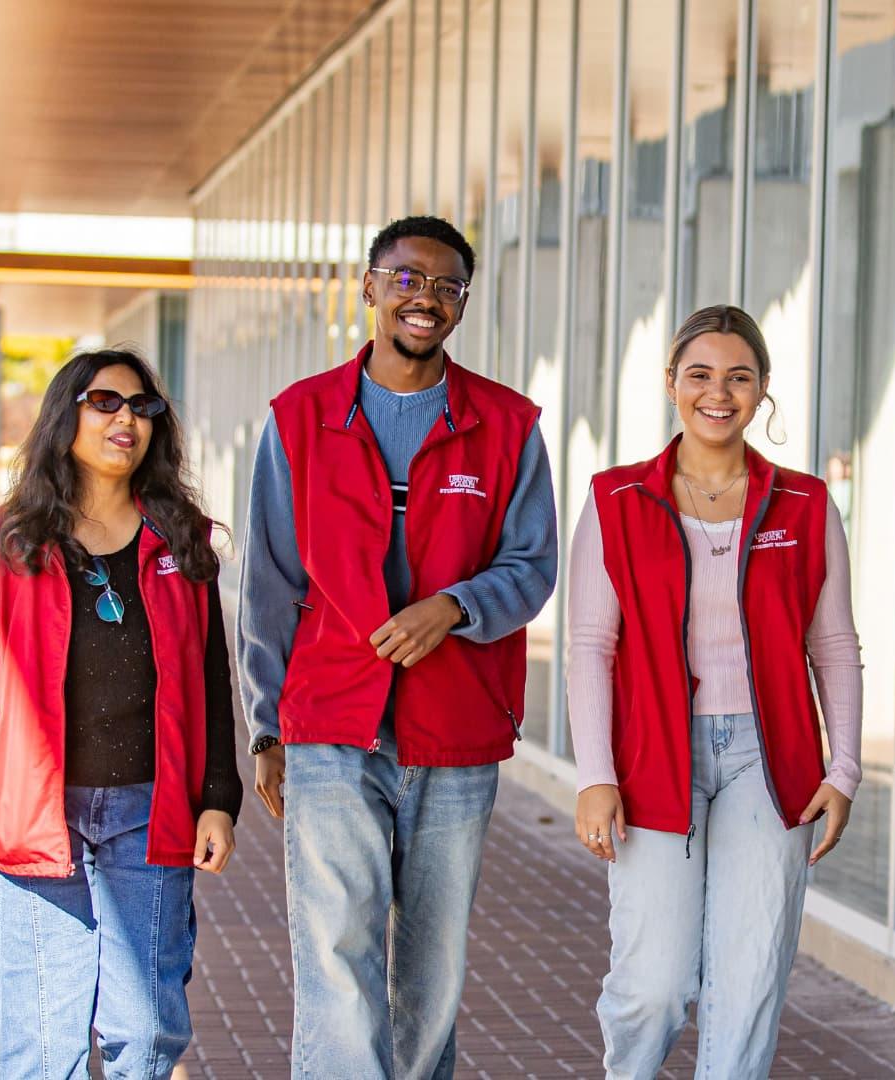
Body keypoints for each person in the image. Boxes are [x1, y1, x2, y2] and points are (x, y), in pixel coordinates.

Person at [239, 216, 558, 1080]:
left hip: (455, 731)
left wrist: (453, 607)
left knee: (433, 968)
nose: (426, 298)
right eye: (408, 278)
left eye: (448, 286)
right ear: (372, 285)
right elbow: (269, 583)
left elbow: (532, 567)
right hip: (330, 725)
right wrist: (266, 728)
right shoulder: (299, 419)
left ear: (461, 303)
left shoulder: (509, 425)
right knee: (337, 954)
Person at [566, 305, 866, 1079]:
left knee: (750, 980)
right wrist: (595, 775)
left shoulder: (802, 505)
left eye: (740, 377)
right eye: (700, 374)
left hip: (771, 766)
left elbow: (831, 643)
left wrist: (844, 771)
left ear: (763, 390)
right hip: (651, 759)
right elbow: (592, 646)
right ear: (671, 384)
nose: (719, 393)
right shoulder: (616, 501)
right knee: (655, 986)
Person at [0, 348, 242, 1080]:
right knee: (43, 1048)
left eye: (143, 408)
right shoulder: (1, 542)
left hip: (152, 812)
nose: (126, 420)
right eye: (105, 402)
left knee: (144, 1036)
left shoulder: (183, 541)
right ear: (64, 415)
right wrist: (2, 787)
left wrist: (218, 800)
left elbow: (210, 678)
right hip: (35, 819)